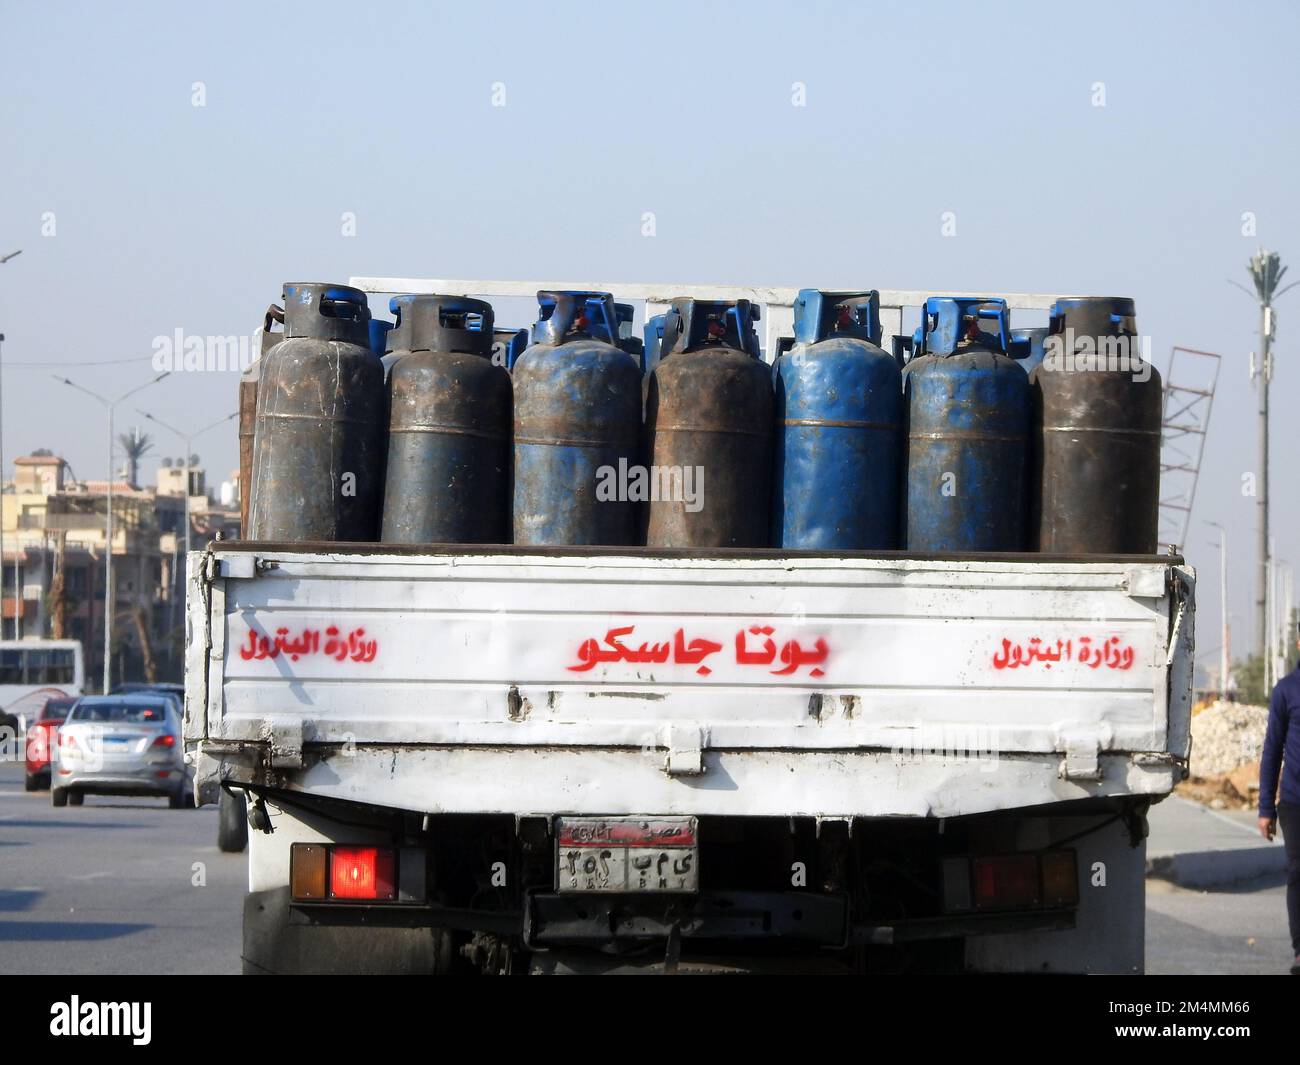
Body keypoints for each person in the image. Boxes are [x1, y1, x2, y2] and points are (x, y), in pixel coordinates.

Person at [1259, 629, 1300, 975]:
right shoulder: (1286, 690)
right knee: (1298, 873)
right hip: (1294, 801)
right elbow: (1271, 751)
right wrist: (1264, 810)